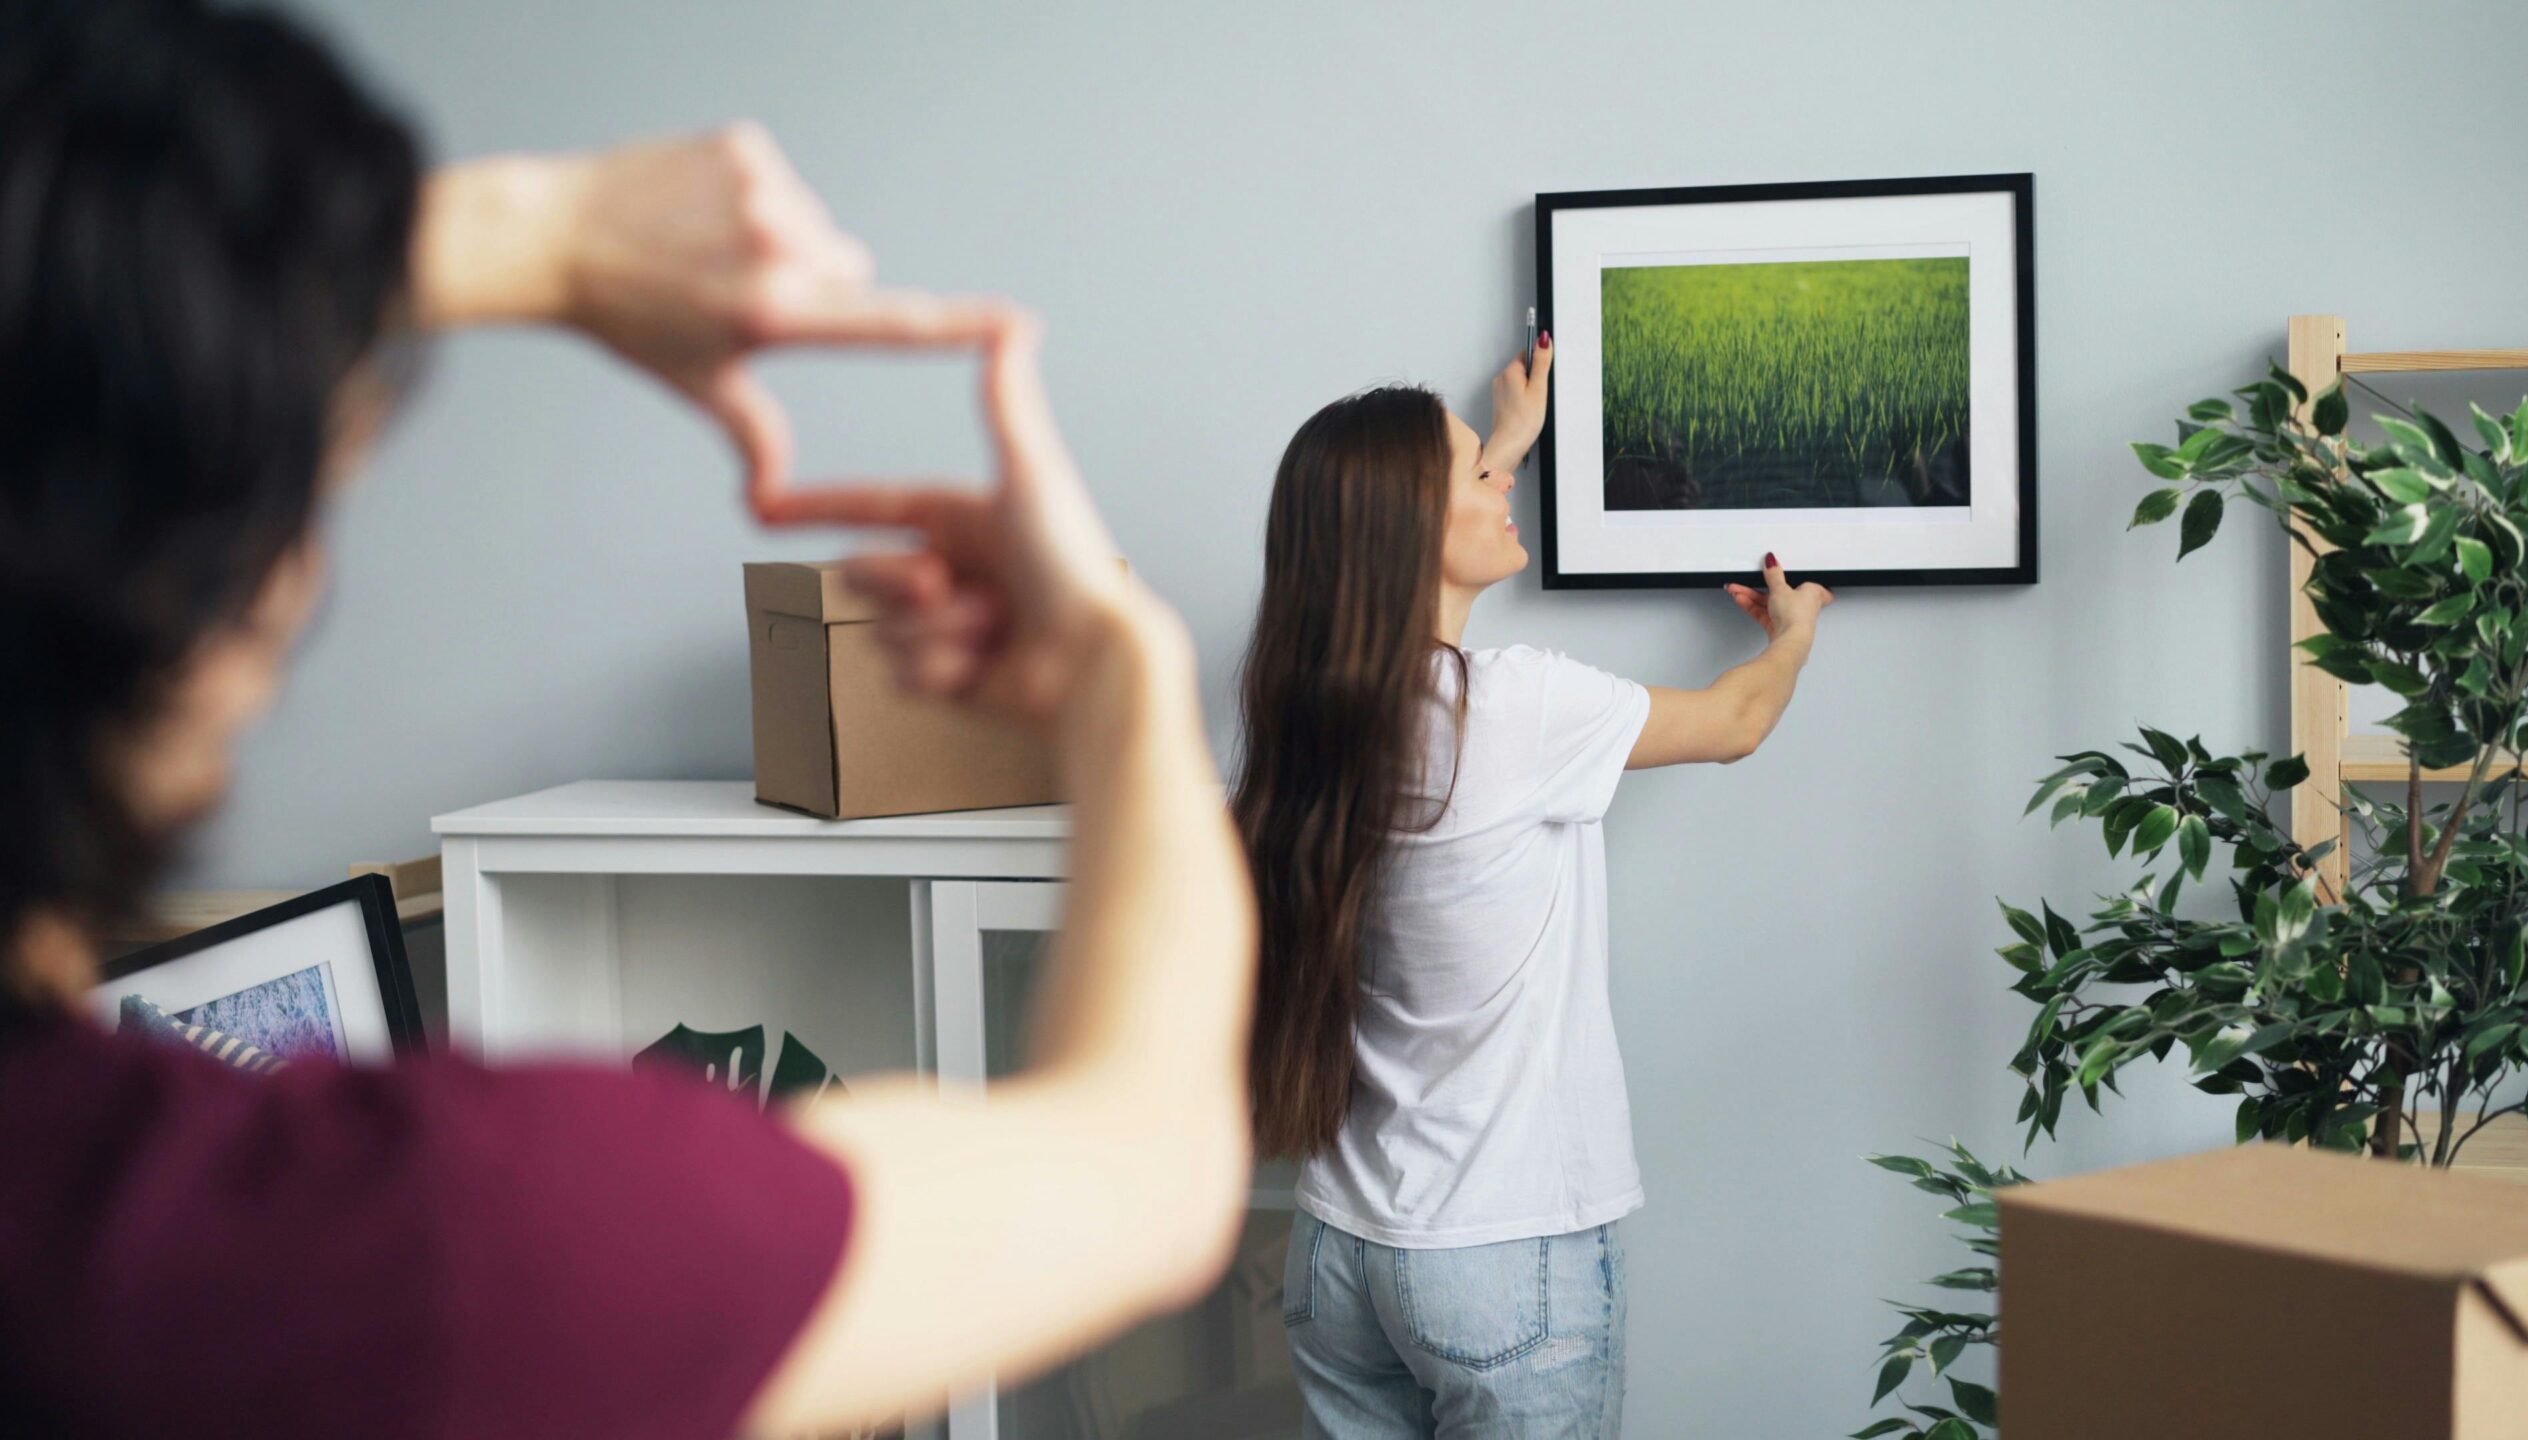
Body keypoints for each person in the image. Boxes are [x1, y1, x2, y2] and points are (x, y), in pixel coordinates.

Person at [0, 1, 1253, 1435]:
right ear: (190, 610)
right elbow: (1151, 1162)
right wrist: (1121, 674)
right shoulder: (387, 1259)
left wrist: (535, 241)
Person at [1233, 340, 1834, 1436]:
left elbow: (1419, 624)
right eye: (1479, 478)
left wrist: (1498, 442)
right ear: (1415, 530)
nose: (1501, 484)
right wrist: (1794, 635)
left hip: (1337, 1255)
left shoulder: (1306, 719)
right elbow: (1737, 721)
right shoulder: (1513, 711)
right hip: (1500, 1257)